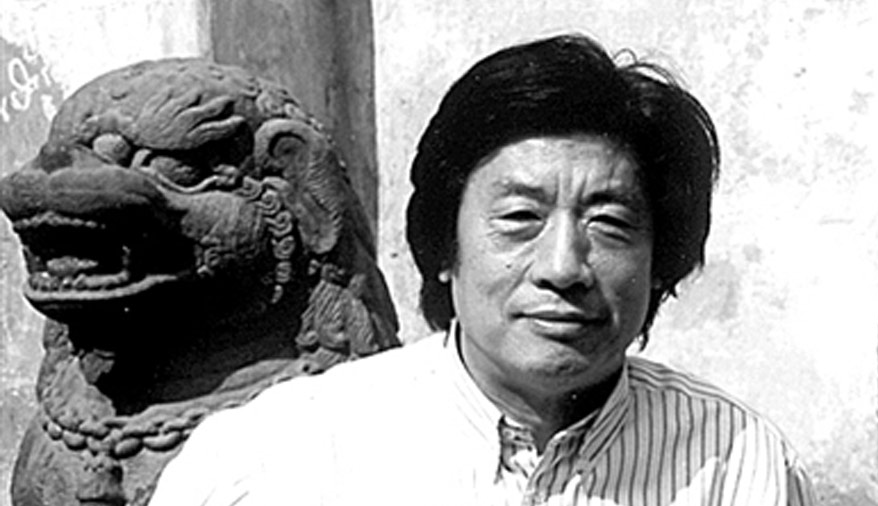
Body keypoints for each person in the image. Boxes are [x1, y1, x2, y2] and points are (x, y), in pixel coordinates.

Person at [150, 34, 816, 505]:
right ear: (445, 247)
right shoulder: (274, 459)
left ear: (659, 261)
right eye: (521, 217)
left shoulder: (738, 462)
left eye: (609, 222)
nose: (564, 267)